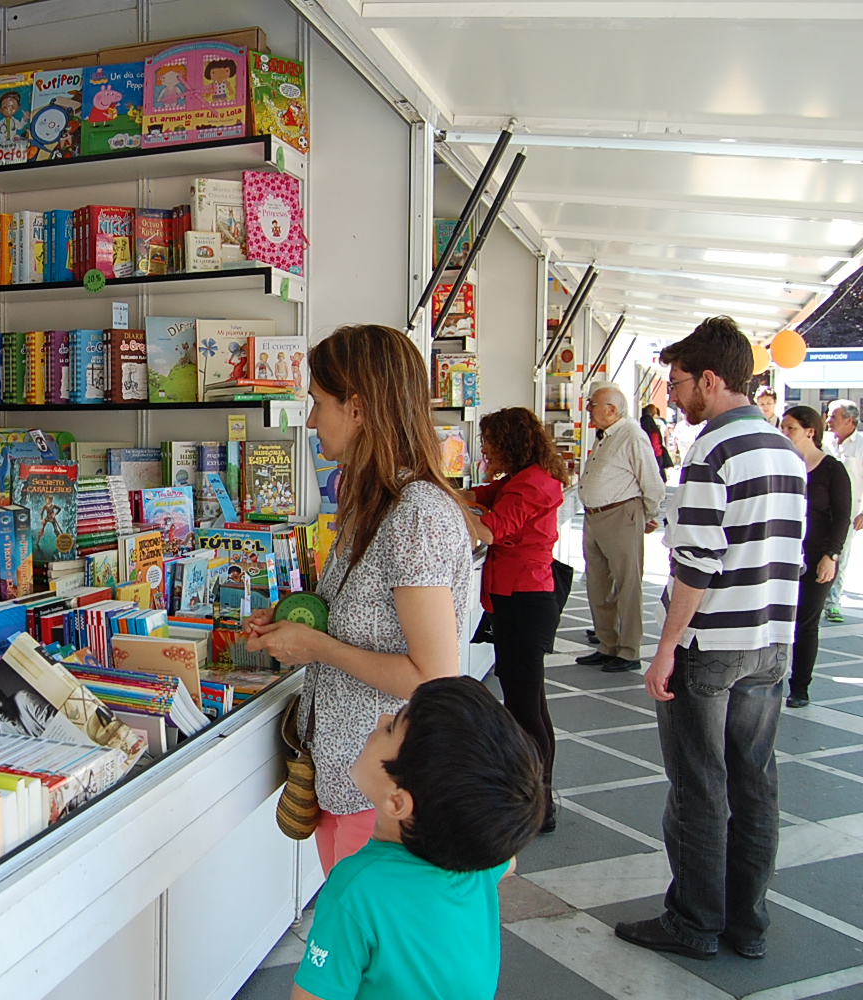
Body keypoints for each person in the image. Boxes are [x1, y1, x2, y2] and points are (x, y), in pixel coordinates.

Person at [244, 325, 472, 875]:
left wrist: (317, 646)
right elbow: (368, 618)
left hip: (381, 798)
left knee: (368, 954)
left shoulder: (412, 514)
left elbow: (432, 676)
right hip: (351, 782)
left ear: (359, 408)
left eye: (319, 403)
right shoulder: (371, 501)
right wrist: (296, 621)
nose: (313, 419)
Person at [615, 317, 805, 962]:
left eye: (678, 383)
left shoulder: (712, 452)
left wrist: (666, 646)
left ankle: (694, 921)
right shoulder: (785, 450)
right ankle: (745, 924)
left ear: (712, 380)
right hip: (771, 639)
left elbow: (694, 563)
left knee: (699, 786)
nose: (672, 396)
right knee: (755, 783)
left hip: (712, 645)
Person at [290, 677, 543, 1000]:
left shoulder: (356, 891)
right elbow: (508, 863)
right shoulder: (474, 862)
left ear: (397, 802)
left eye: (392, 728)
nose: (381, 720)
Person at [463, 407, 568, 833]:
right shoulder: (521, 479)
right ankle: (538, 793)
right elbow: (478, 495)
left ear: (510, 442)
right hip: (517, 597)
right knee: (530, 701)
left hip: (525, 599)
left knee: (525, 707)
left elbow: (490, 529)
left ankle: (539, 800)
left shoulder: (533, 485)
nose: (484, 450)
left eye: (489, 442)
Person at [577, 383, 665, 673]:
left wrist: (649, 514)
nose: (589, 409)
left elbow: (651, 481)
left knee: (627, 585)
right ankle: (607, 643)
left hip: (620, 515)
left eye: (593, 405)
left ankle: (628, 650)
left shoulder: (631, 435)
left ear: (612, 410)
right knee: (598, 584)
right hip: (595, 516)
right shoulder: (606, 436)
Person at [780, 405, 850, 708]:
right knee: (776, 619)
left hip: (817, 554)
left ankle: (800, 686)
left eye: (791, 428)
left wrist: (831, 555)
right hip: (782, 554)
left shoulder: (832, 469)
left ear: (811, 431)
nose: (784, 433)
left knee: (806, 622)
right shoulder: (782, 464)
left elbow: (841, 517)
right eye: (782, 427)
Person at [823, 399, 863, 622]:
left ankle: (833, 602)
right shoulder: (826, 442)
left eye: (833, 416)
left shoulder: (861, 445)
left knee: (839, 555)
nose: (828, 420)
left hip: (848, 513)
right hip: (822, 509)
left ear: (849, 420)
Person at [641, 403, 674, 475]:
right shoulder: (660, 423)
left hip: (654, 454)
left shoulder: (646, 429)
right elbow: (665, 436)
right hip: (658, 453)